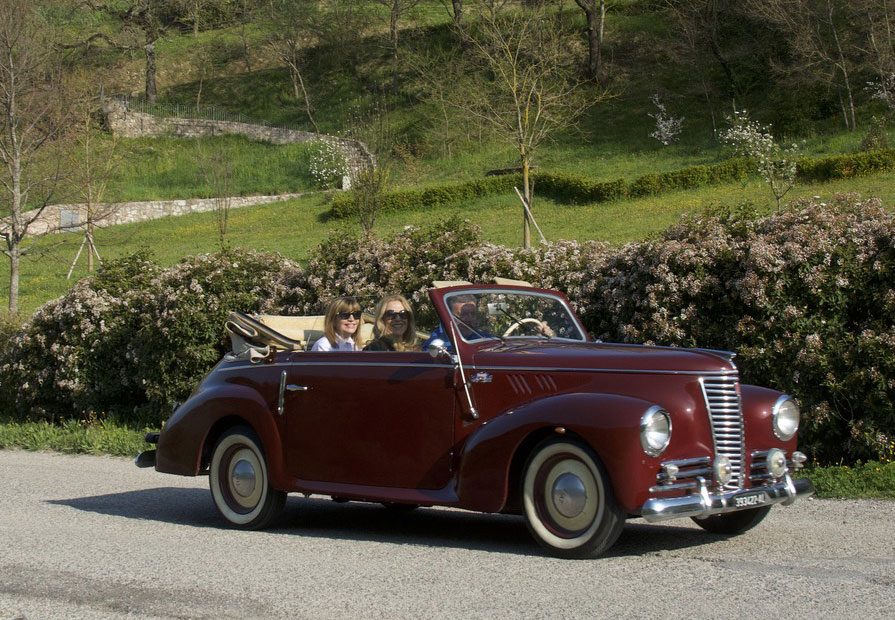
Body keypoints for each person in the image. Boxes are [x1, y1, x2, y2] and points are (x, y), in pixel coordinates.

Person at [423, 294, 489, 352]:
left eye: (473, 313)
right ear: (449, 316)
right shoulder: (436, 342)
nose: (470, 318)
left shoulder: (483, 337)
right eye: (463, 314)